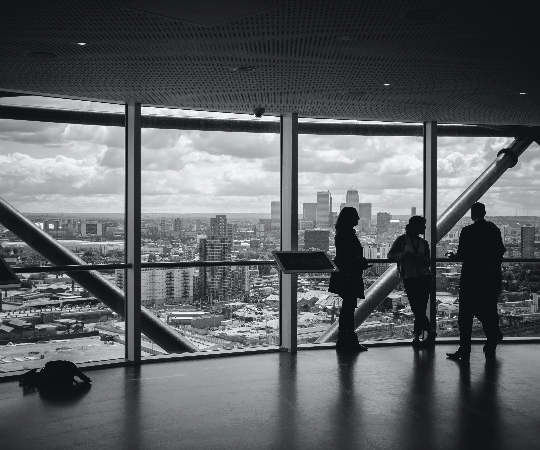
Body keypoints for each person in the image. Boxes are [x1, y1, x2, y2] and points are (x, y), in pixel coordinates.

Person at [446, 202, 506, 362]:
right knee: (489, 309)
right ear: (484, 213)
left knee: (465, 316)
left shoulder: (468, 231)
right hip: (490, 278)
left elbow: (462, 255)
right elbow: (501, 252)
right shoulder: (494, 230)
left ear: (472, 214)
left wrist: (452, 256)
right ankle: (492, 339)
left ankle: (465, 350)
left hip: (471, 278)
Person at [388, 216, 437, 347]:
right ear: (415, 226)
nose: (425, 228)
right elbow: (390, 255)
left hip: (423, 277)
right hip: (411, 277)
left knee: (419, 308)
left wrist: (417, 258)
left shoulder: (423, 243)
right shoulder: (402, 240)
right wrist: (404, 256)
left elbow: (428, 261)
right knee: (417, 308)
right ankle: (429, 331)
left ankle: (416, 337)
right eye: (423, 225)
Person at [328, 207, 369, 352]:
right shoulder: (346, 234)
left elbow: (344, 255)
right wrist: (359, 261)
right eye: (356, 216)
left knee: (347, 309)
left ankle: (344, 339)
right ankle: (348, 340)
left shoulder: (342, 233)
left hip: (345, 274)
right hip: (349, 275)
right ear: (349, 218)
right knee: (348, 309)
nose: (358, 219)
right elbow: (348, 255)